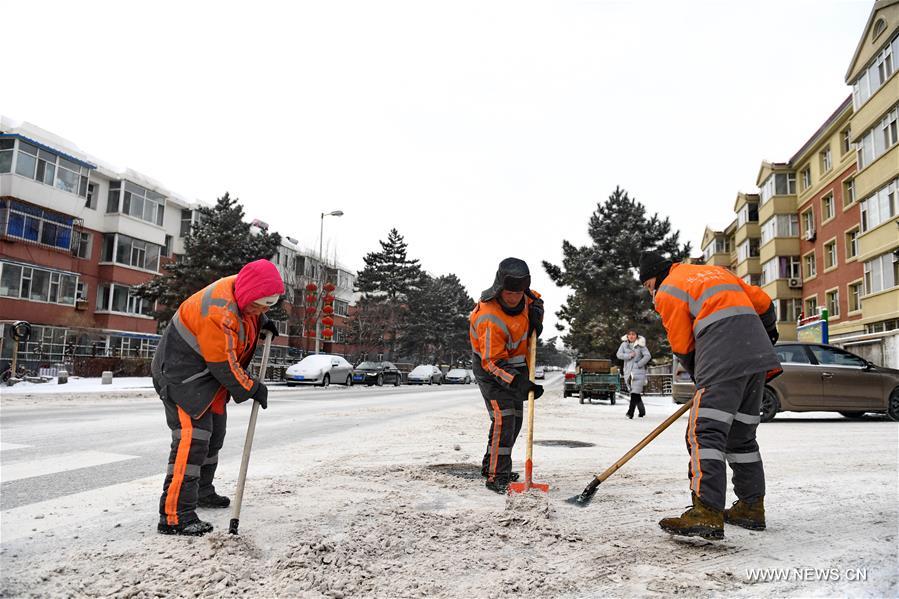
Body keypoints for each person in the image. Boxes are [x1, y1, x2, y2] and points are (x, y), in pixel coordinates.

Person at [638, 251, 780, 540]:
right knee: (740, 438)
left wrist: (701, 377)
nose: (650, 293)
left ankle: (706, 512)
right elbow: (764, 303)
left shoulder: (668, 290)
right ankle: (751, 507)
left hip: (722, 357)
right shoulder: (716, 273)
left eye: (648, 286)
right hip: (757, 358)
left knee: (705, 433)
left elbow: (682, 343)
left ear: (655, 277)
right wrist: (768, 336)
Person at [152, 259, 283, 536]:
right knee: (193, 440)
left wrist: (263, 321)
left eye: (267, 307)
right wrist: (252, 388)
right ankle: (175, 515)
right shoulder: (218, 312)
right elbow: (224, 364)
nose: (261, 311)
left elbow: (248, 312)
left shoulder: (244, 290)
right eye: (259, 306)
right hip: (182, 376)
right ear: (248, 296)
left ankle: (202, 491)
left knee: (214, 436)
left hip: (206, 377)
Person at [469, 258, 544, 494]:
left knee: (517, 420)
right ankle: (496, 476)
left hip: (517, 366)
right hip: (490, 369)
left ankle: (491, 465)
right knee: (505, 419)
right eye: (509, 293)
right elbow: (492, 362)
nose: (513, 298)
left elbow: (537, 301)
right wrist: (519, 382)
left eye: (518, 293)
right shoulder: (489, 317)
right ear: (499, 288)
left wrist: (537, 317)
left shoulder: (528, 298)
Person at [617, 329, 651, 418]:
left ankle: (630, 412)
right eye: (629, 334)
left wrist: (639, 364)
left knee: (634, 393)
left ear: (636, 336)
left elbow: (648, 356)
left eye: (633, 334)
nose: (631, 336)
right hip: (628, 372)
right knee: (634, 392)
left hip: (638, 372)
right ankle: (642, 411)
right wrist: (629, 356)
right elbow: (619, 355)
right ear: (627, 336)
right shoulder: (624, 345)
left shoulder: (640, 345)